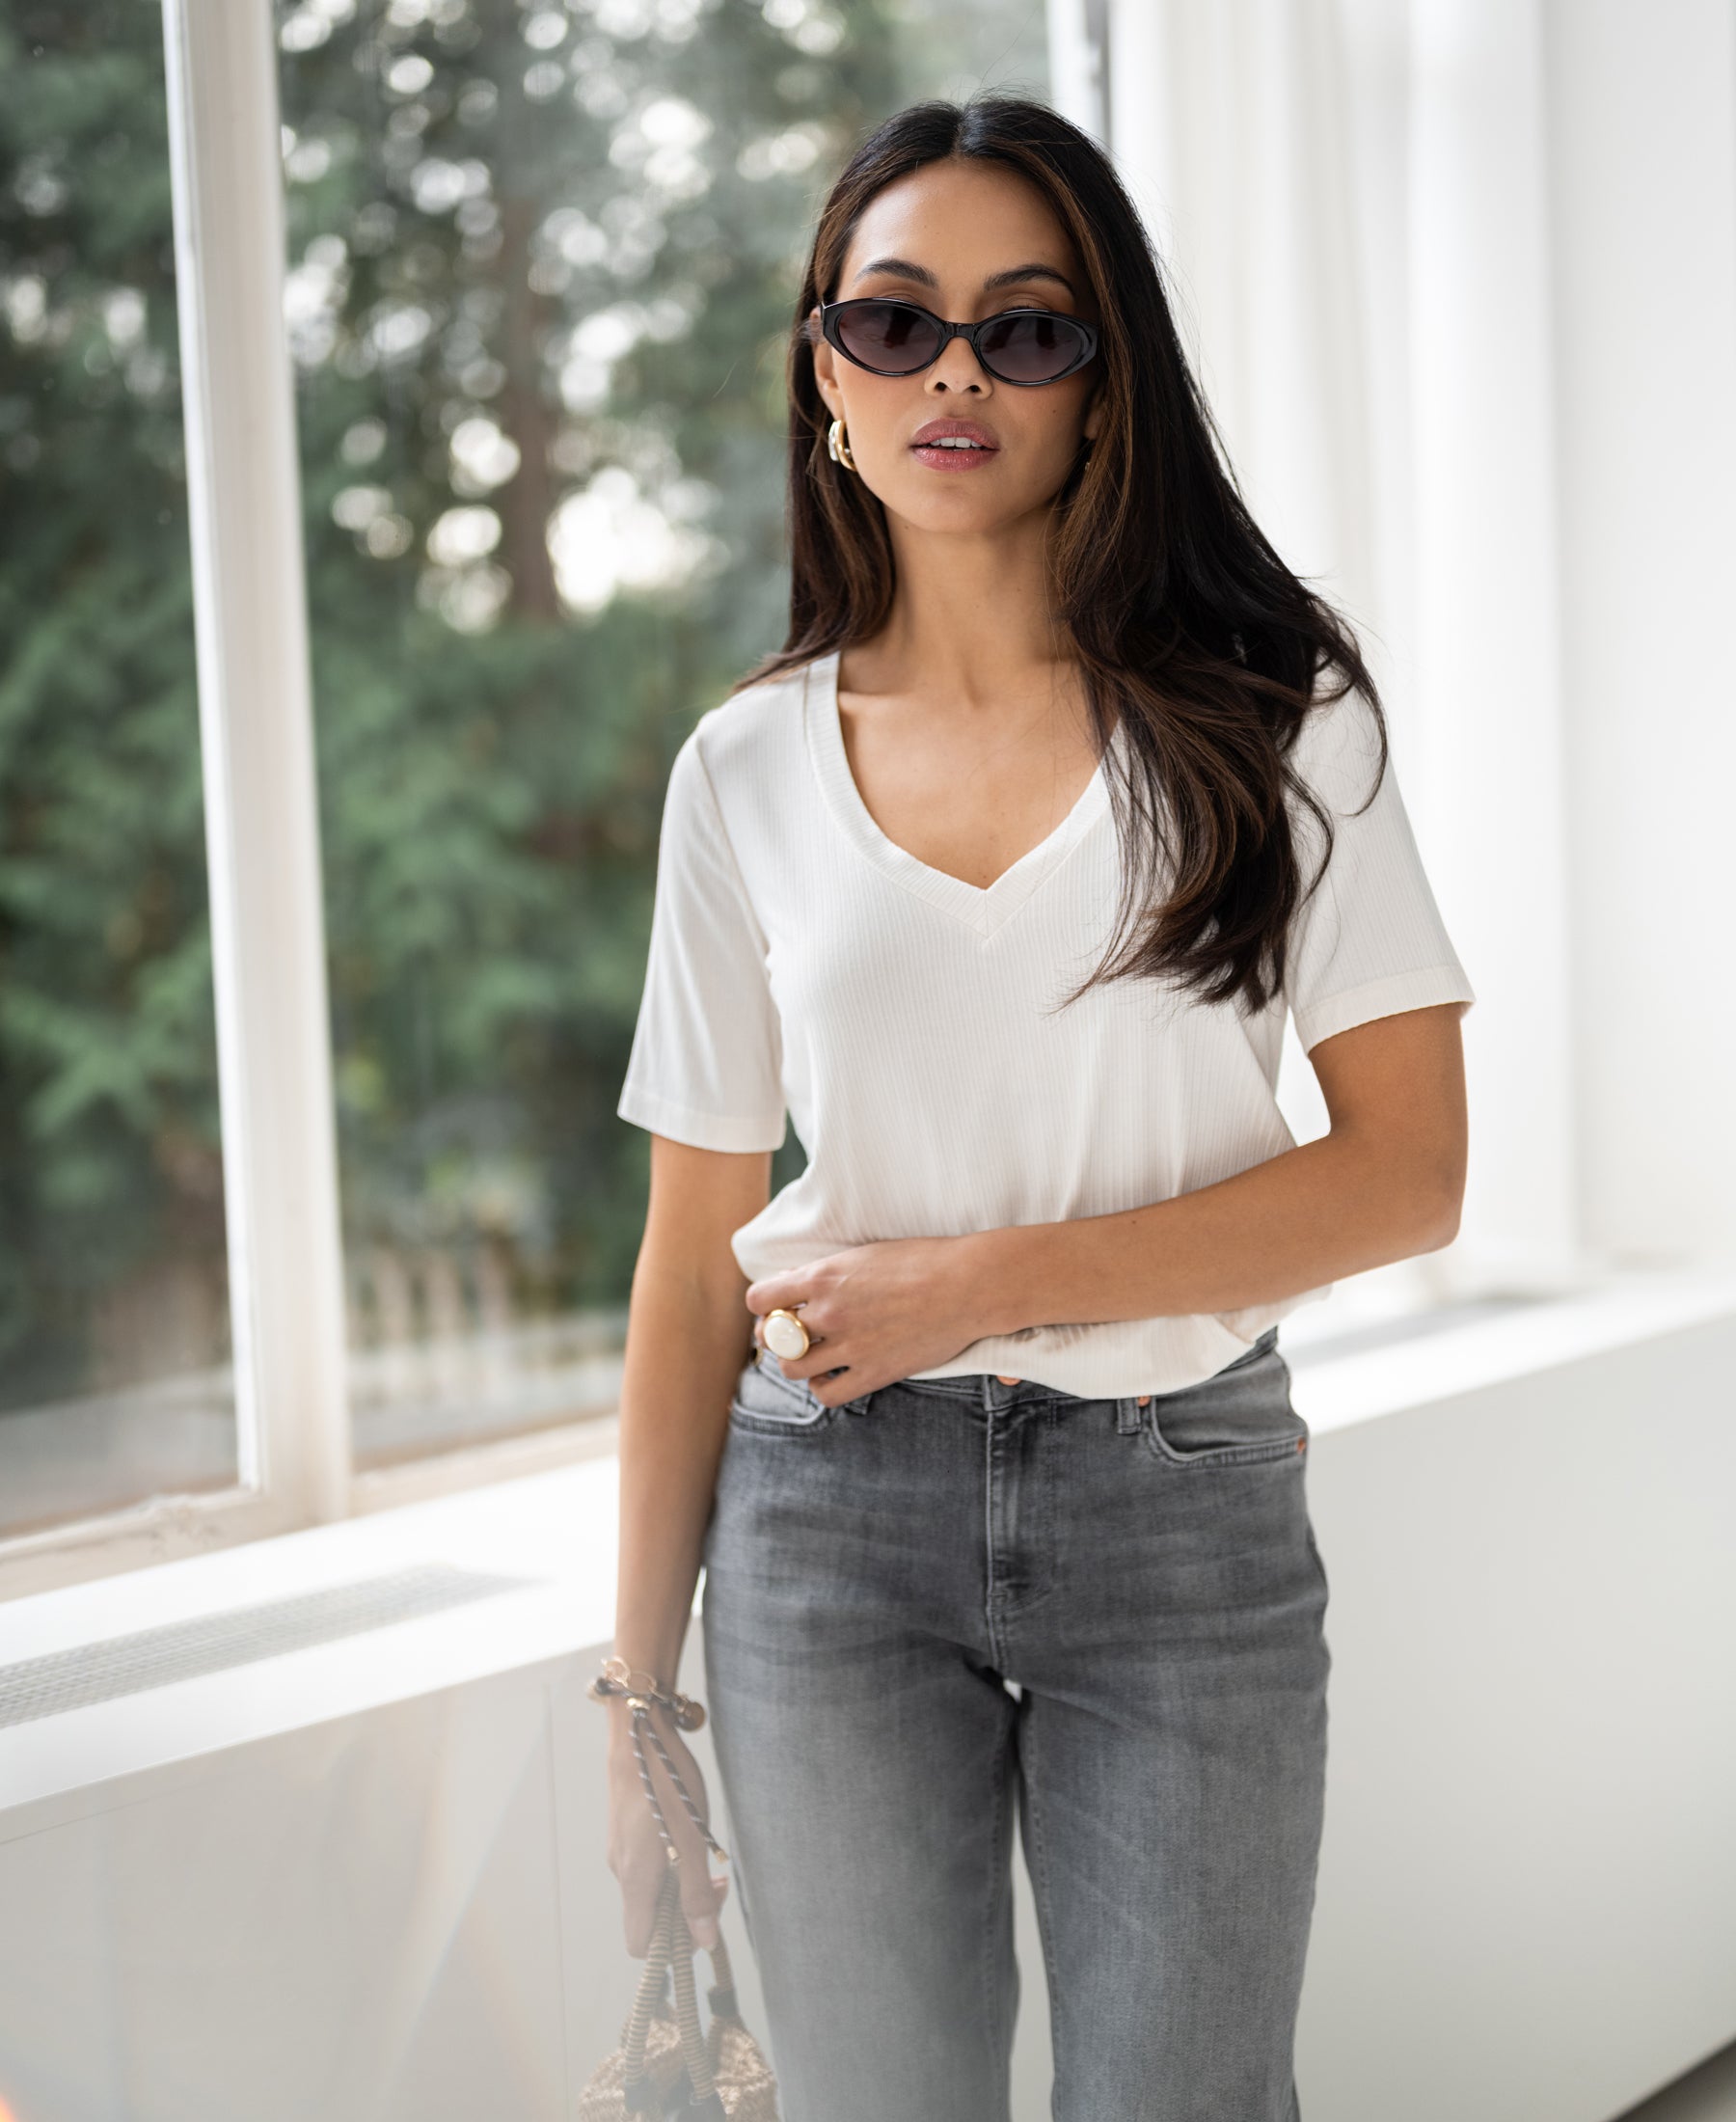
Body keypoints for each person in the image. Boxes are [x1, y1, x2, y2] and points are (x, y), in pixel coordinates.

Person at [599, 92, 1473, 2122]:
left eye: (1029, 327)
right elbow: (683, 1258)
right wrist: (639, 1702)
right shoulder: (739, 773)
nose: (956, 372)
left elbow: (1412, 1173)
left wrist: (980, 1283)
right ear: (826, 371)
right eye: (894, 324)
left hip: (1180, 1507)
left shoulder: (1277, 713)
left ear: (1106, 386)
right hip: (822, 1520)